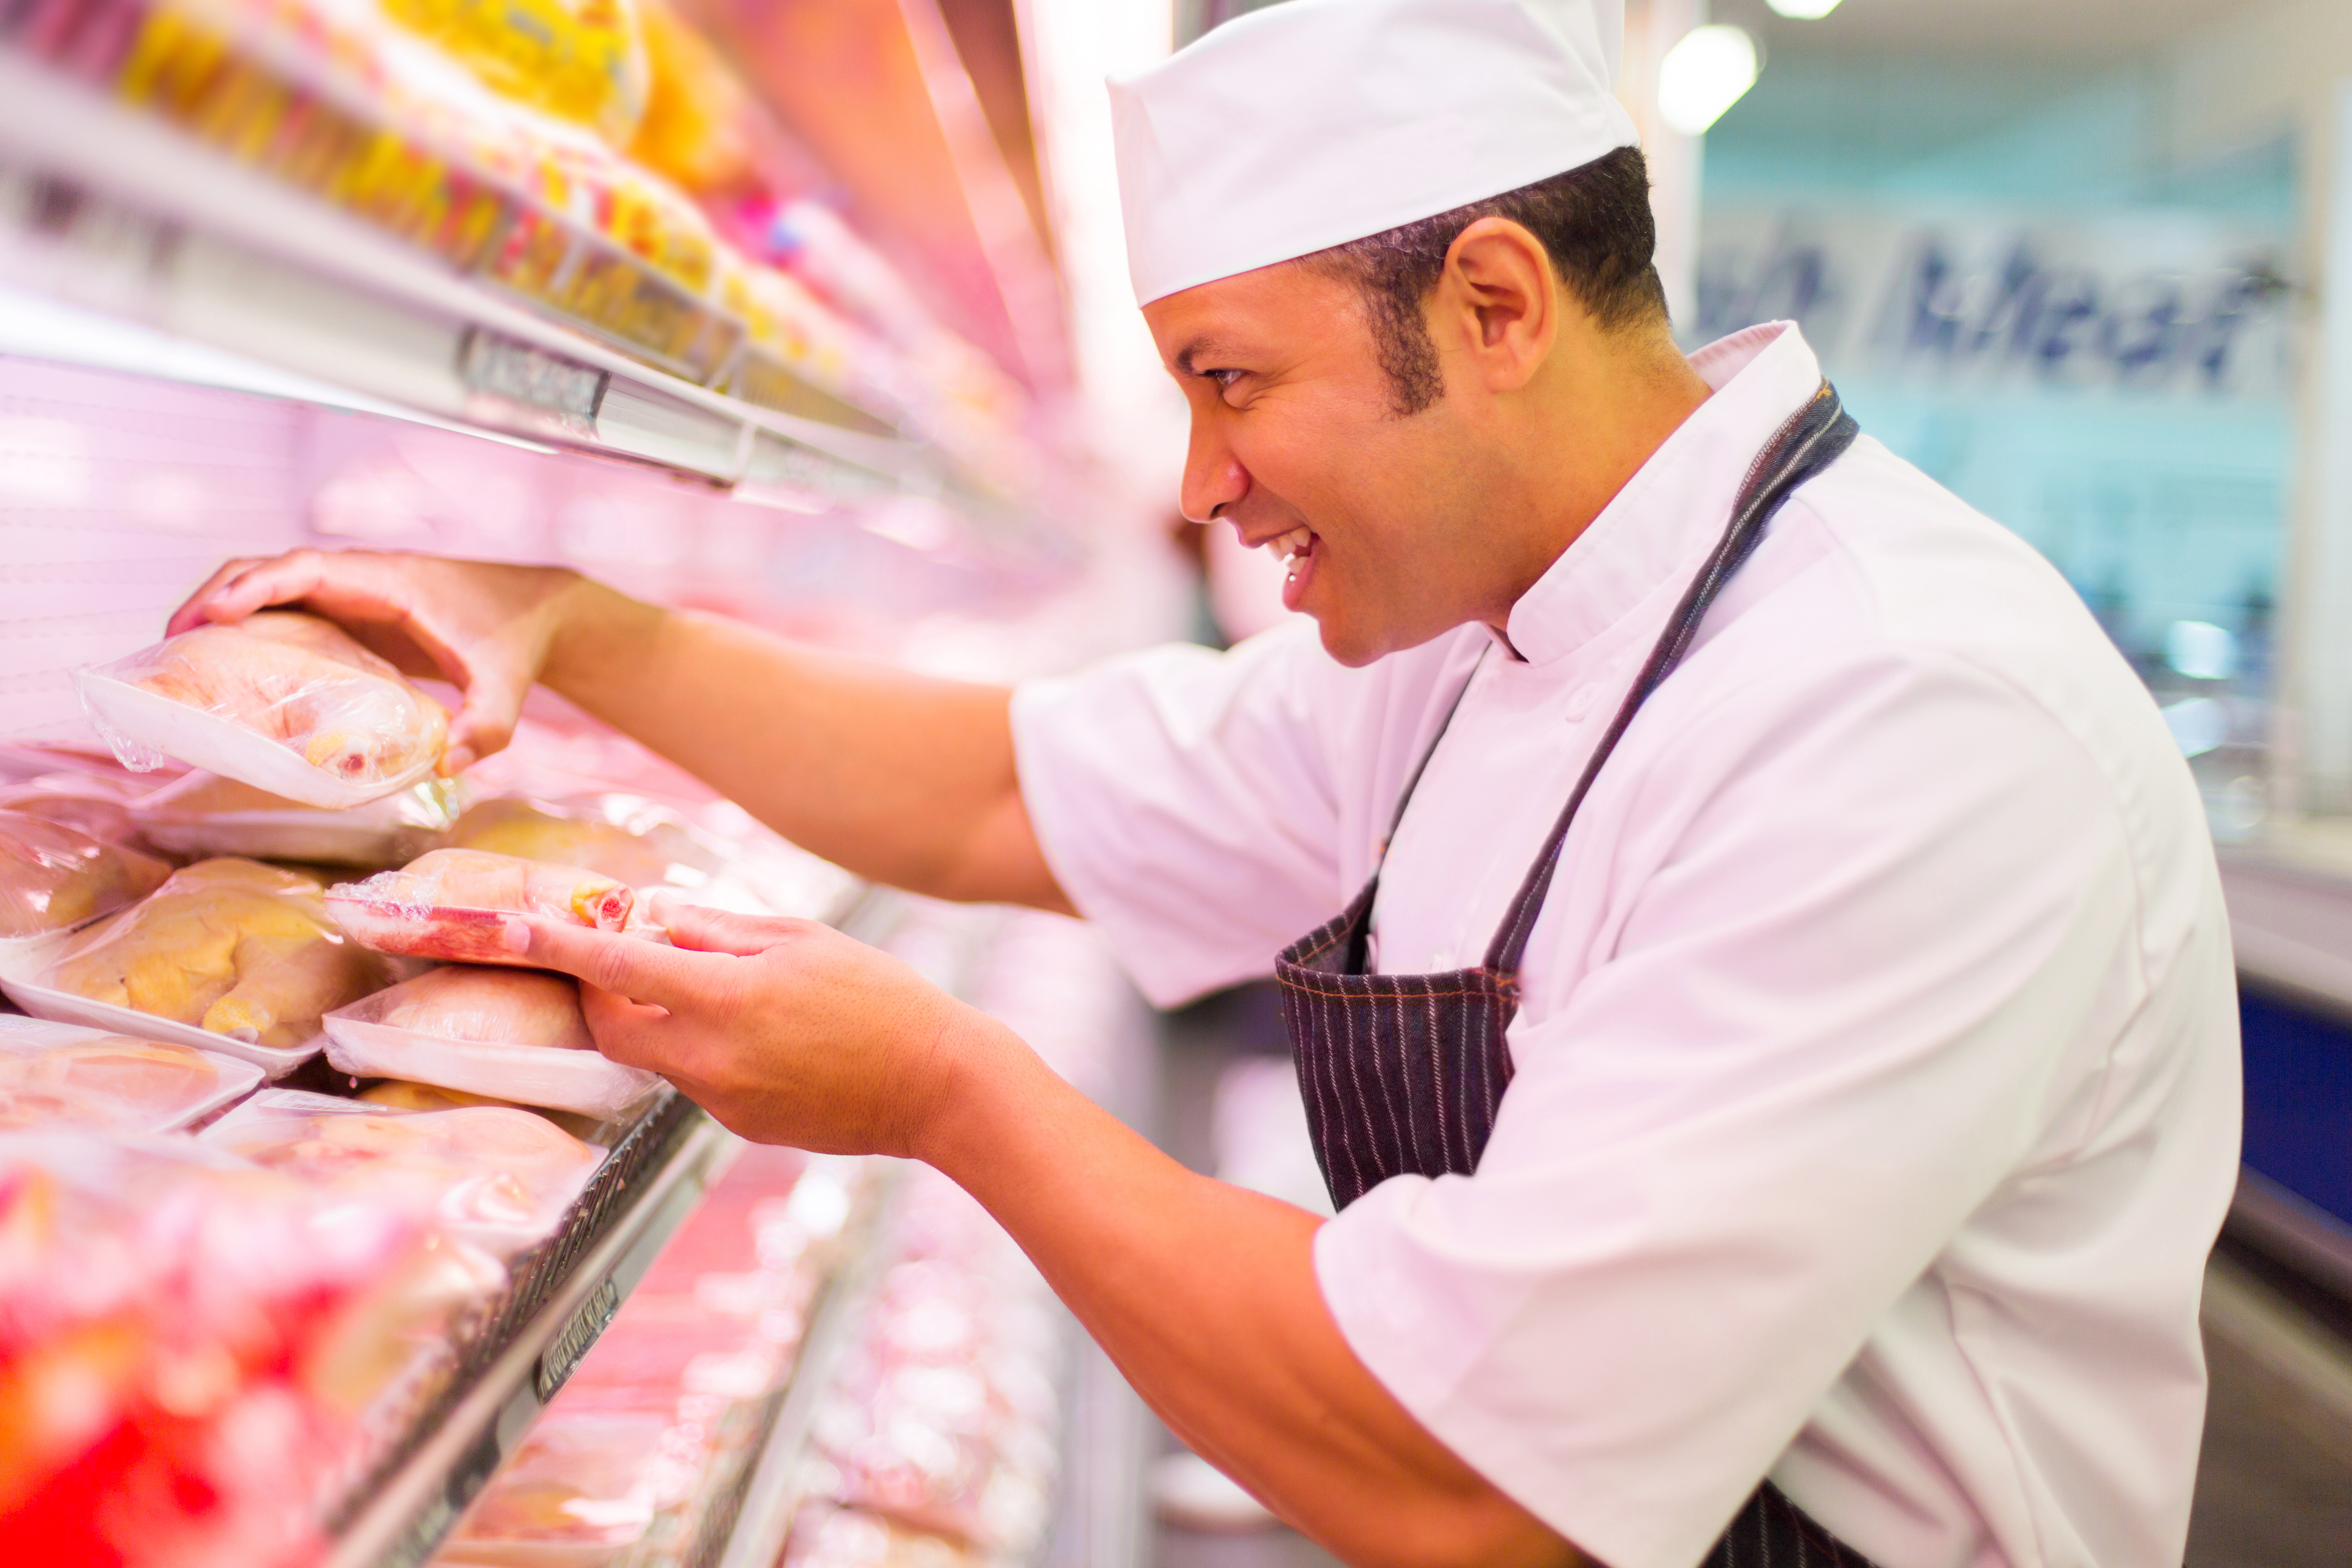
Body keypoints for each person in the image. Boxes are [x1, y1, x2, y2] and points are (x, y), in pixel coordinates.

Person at [167, 2, 2240, 1564]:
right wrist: (569, 622)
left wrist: (945, 1087)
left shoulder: (1894, 719)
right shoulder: (1494, 640)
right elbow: (1002, 799)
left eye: (1231, 381)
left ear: (1497, 304)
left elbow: (1479, 1475)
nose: (1199, 483)